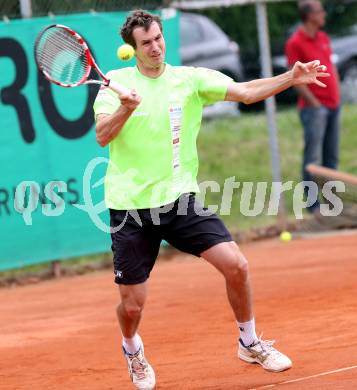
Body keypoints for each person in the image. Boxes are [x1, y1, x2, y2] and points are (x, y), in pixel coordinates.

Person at [93, 10, 329, 389]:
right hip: (131, 208)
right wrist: (125, 107)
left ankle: (249, 342)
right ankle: (132, 348)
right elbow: (102, 136)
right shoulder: (115, 84)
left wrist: (291, 77)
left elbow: (247, 91)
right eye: (146, 43)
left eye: (158, 38)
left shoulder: (189, 80)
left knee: (236, 265)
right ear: (132, 49)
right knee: (133, 305)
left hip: (179, 200)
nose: (155, 47)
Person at [285, 0, 341, 215]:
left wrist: (336, 95)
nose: (324, 14)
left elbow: (331, 67)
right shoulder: (295, 42)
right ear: (309, 16)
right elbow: (294, 77)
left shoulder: (323, 37)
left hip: (333, 105)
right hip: (314, 109)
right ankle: (312, 205)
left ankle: (331, 206)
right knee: (313, 158)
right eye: (320, 10)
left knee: (331, 158)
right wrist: (314, 103)